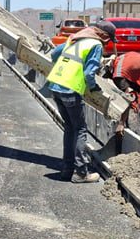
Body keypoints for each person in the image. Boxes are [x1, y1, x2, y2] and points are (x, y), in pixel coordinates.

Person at [47, 20, 117, 183]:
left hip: (56, 86)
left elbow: (54, 54)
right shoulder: (96, 45)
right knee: (79, 129)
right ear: (104, 36)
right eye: (108, 40)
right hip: (70, 89)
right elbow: (89, 74)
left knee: (70, 128)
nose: (107, 44)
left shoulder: (76, 39)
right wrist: (93, 88)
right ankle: (81, 172)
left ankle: (67, 169)